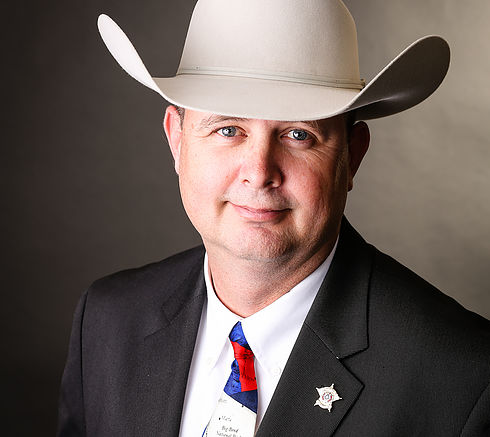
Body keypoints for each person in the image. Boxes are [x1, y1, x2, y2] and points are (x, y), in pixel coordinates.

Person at [58, 1, 490, 436]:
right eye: (229, 129)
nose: (260, 171)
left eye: (299, 135)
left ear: (352, 156)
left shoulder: (464, 377)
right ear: (177, 140)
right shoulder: (108, 321)